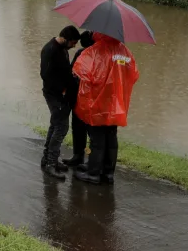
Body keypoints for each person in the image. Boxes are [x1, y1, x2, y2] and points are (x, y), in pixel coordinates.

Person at [72, 33, 140, 185]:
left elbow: (81, 72)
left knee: (97, 139)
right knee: (111, 138)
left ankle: (93, 173)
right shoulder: (125, 52)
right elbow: (134, 75)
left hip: (97, 103)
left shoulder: (93, 51)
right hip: (117, 105)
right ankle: (108, 173)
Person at [40, 25, 81, 179]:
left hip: (60, 94)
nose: (74, 46)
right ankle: (51, 163)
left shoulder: (62, 49)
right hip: (54, 95)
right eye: (73, 42)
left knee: (55, 124)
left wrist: (71, 78)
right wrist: (64, 87)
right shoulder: (50, 50)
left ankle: (47, 159)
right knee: (62, 127)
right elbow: (45, 75)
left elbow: (64, 71)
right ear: (65, 39)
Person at [63, 30, 95, 169]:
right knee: (80, 129)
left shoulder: (99, 56)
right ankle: (80, 156)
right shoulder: (81, 54)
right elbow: (72, 73)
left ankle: (87, 158)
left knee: (89, 132)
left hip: (90, 100)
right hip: (81, 99)